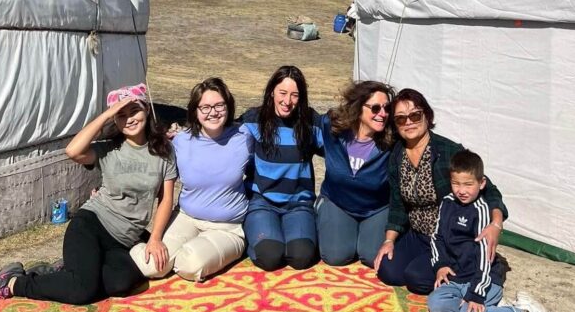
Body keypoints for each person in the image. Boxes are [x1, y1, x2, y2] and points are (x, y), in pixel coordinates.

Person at [0, 84, 177, 306]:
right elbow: (73, 151)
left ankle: (64, 271)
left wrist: (155, 238)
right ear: (114, 121)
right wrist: (107, 113)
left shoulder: (163, 152)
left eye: (134, 111)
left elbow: (165, 198)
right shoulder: (109, 149)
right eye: (121, 116)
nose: (129, 119)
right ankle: (12, 283)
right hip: (92, 225)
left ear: (146, 109)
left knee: (122, 284)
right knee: (81, 292)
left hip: (123, 240)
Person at [374, 88, 508, 295]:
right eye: (401, 119)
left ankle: (483, 265)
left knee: (417, 280)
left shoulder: (447, 151)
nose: (408, 122)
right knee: (388, 271)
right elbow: (398, 204)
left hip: (450, 236)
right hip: (417, 234)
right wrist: (389, 241)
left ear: (427, 116)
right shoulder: (397, 155)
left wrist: (496, 224)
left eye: (415, 115)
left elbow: (489, 189)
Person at [130, 78, 252, 281]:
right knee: (151, 265)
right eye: (205, 107)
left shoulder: (244, 137)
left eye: (219, 105)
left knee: (190, 264)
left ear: (228, 106)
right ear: (195, 111)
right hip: (186, 218)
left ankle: (195, 250)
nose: (213, 112)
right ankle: (121, 251)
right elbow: (156, 175)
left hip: (227, 227)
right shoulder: (181, 141)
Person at [427, 149, 551, 312]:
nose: (461, 190)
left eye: (468, 184)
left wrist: (476, 295)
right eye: (456, 184)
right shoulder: (447, 202)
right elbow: (436, 237)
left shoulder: (482, 210)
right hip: (458, 278)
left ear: (481, 183)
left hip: (484, 279)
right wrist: (440, 265)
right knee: (435, 304)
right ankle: (493, 307)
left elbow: (485, 257)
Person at [242, 65, 324, 271]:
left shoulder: (311, 122)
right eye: (283, 93)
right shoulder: (253, 120)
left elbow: (337, 147)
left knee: (301, 257)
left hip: (298, 203)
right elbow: (224, 137)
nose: (287, 102)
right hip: (263, 201)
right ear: (272, 92)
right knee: (270, 256)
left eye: (295, 95)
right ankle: (256, 234)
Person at [316, 80, 396, 267]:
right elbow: (301, 120)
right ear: (359, 107)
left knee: (372, 257)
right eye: (375, 108)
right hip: (338, 202)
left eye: (387, 108)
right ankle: (322, 211)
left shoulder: (392, 142)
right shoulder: (332, 128)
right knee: (336, 256)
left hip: (375, 207)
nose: (382, 114)